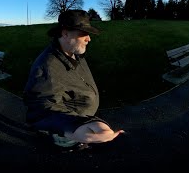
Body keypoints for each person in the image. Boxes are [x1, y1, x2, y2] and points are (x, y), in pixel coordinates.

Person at [23, 9, 124, 151]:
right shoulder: (47, 68)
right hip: (72, 132)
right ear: (65, 33)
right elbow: (41, 110)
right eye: (84, 33)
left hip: (84, 119)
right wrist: (74, 127)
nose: (89, 39)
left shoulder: (73, 53)